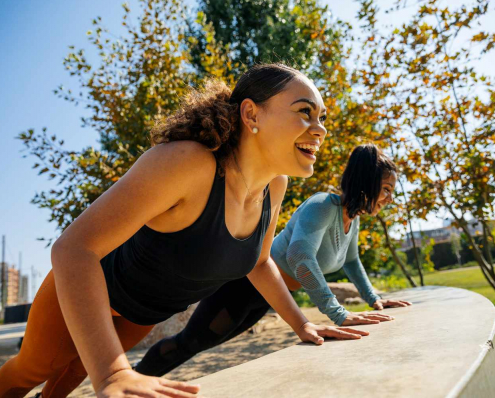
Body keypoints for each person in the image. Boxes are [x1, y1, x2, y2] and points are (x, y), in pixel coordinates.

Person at [0, 64, 368, 398]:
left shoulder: (275, 186)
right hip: (89, 293)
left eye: (321, 117)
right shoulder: (188, 162)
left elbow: (259, 263)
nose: (319, 128)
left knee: (70, 378)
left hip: (142, 315)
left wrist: (304, 325)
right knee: (29, 372)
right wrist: (113, 372)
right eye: (305, 112)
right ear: (252, 114)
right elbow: (73, 249)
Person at [134, 143, 412, 377]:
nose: (389, 198)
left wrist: (374, 298)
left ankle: (137, 381)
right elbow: (300, 257)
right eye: (386, 188)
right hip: (244, 286)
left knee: (199, 343)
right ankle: (133, 378)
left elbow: (352, 261)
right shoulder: (323, 206)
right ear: (367, 181)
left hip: (270, 296)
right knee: (191, 342)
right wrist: (338, 313)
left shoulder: (352, 220)